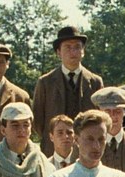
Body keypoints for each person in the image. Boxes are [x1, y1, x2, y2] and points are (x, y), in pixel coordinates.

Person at [32, 26, 104, 156]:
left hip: (87, 151)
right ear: (58, 52)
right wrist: (56, 137)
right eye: (68, 47)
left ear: (83, 51)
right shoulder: (45, 82)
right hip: (53, 151)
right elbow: (37, 121)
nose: (73, 51)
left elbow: (101, 119)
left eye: (77, 47)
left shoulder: (95, 82)